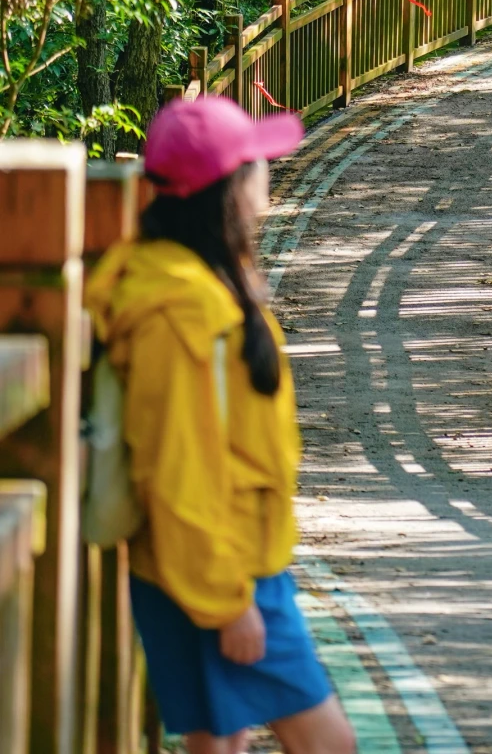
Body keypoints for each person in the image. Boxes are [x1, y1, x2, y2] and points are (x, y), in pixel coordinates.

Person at [86, 97, 355, 754]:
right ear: (227, 191)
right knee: (328, 743)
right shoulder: (182, 312)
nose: (267, 171)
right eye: (254, 162)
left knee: (219, 744)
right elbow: (178, 467)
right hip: (218, 570)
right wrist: (227, 602)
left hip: (219, 562)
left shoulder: (196, 281)